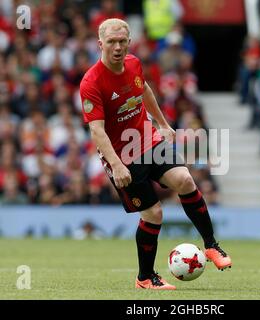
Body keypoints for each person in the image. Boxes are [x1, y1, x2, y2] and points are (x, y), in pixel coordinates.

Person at [79, 18, 232, 290]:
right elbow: (96, 131)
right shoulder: (91, 82)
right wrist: (116, 165)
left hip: (147, 140)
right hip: (122, 155)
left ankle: (211, 246)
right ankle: (145, 277)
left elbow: (144, 89)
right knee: (154, 214)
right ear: (100, 44)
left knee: (185, 180)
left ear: (129, 42)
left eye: (122, 41)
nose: (117, 47)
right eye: (111, 42)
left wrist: (162, 123)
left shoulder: (134, 64)